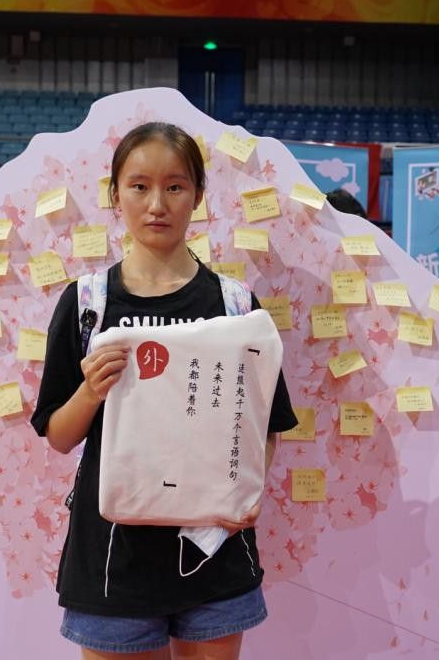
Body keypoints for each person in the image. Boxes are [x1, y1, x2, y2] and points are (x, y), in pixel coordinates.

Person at [31, 122, 298, 660]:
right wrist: (90, 392)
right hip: (113, 557)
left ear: (197, 196)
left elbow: (264, 427)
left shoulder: (235, 305)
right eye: (139, 186)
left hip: (215, 550)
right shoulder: (87, 303)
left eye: (175, 187)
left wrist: (244, 496)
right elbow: (58, 436)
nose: (157, 204)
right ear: (115, 195)